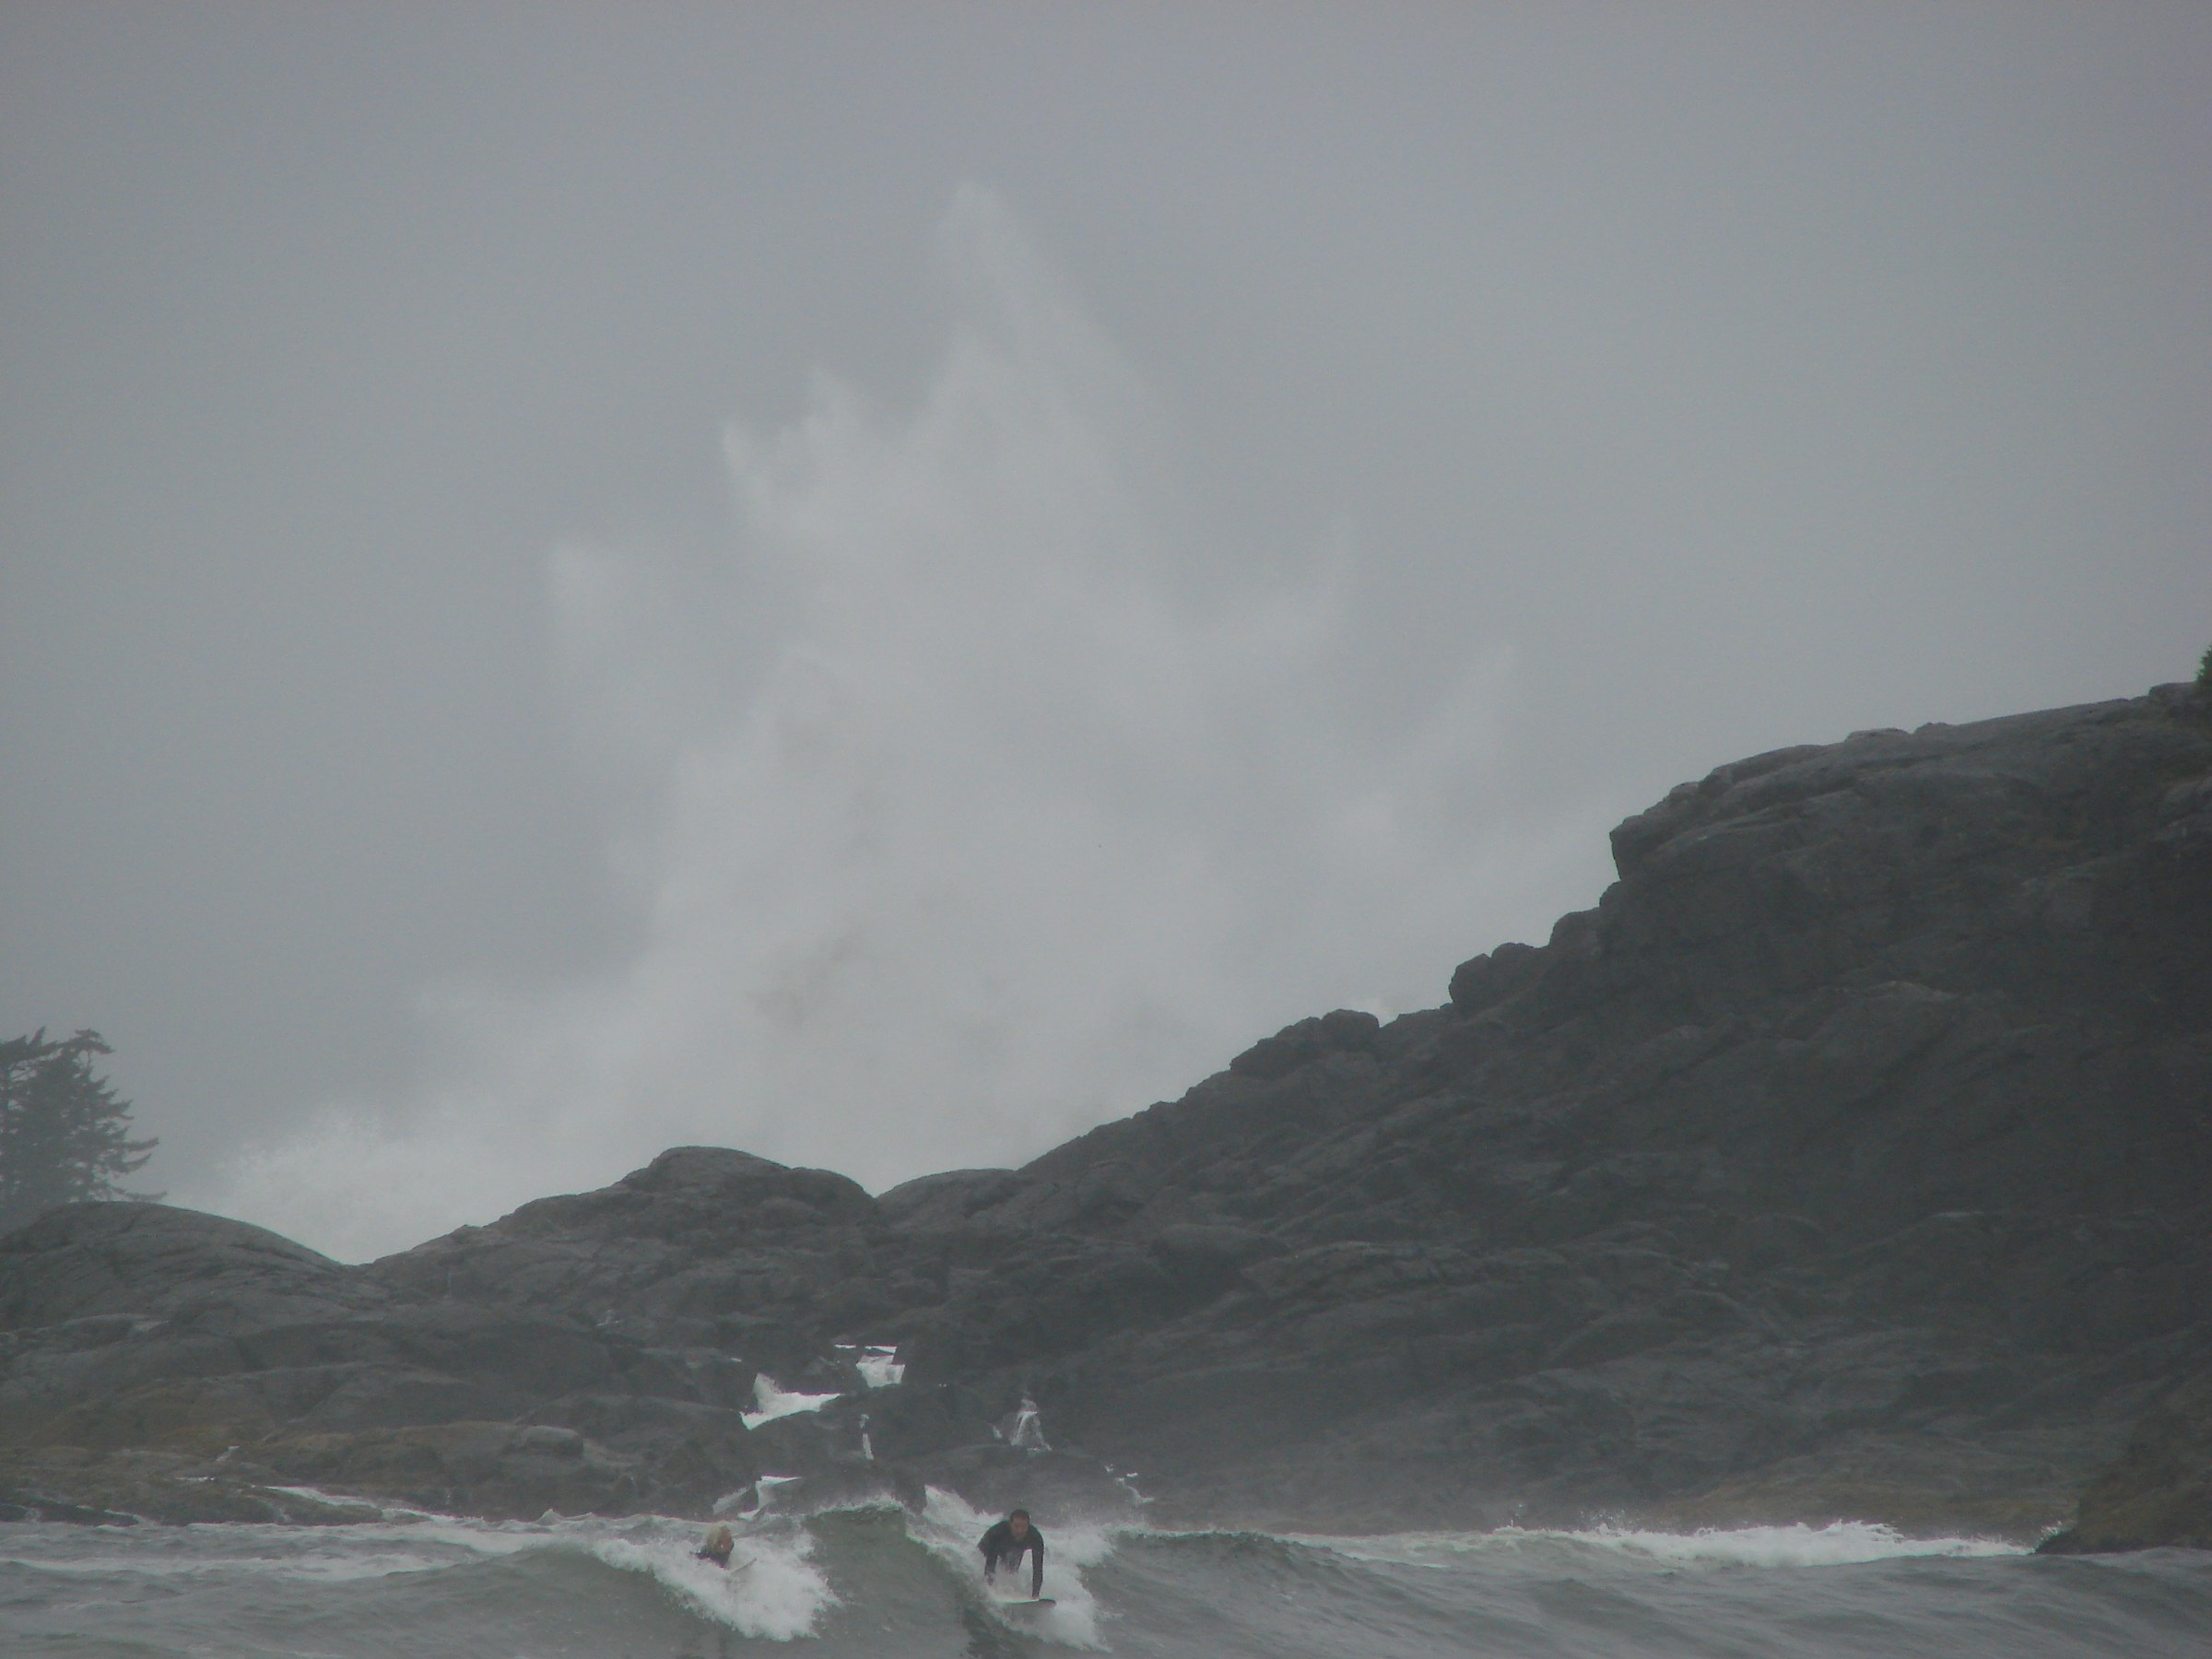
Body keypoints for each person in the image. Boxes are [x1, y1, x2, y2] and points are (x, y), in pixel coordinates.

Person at [978, 1508, 1045, 1597]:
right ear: (1010, 1524)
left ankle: (1008, 1593)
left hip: (1014, 1548)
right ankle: (989, 1590)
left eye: (1024, 1527)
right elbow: (990, 1564)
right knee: (987, 1567)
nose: (1020, 1530)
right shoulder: (998, 1533)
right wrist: (990, 1593)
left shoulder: (1035, 1537)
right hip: (988, 1546)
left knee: (1012, 1571)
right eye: (1016, 1526)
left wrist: (1036, 1594)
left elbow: (1038, 1569)